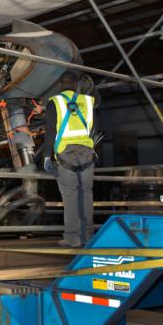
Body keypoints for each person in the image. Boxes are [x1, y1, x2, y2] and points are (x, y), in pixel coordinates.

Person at [41, 75, 96, 247]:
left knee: (70, 196)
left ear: (59, 85)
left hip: (66, 154)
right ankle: (88, 236)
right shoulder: (87, 102)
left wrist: (46, 156)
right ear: (76, 85)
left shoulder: (55, 103)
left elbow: (50, 131)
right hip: (87, 153)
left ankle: (72, 238)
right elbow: (95, 128)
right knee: (86, 194)